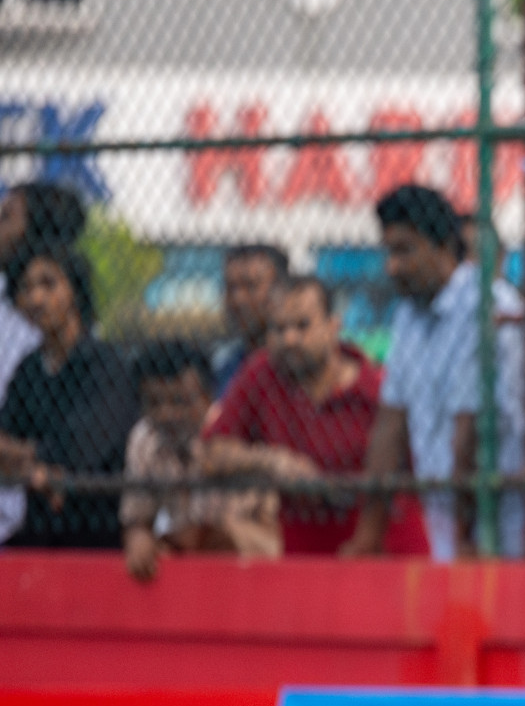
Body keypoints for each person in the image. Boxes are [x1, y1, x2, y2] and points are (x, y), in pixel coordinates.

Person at [343, 184, 525, 561]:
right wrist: (369, 534)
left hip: (498, 518)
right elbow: (391, 423)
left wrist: (466, 535)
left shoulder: (490, 305)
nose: (392, 266)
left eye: (404, 251)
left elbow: (472, 431)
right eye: (388, 252)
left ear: (443, 247)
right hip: (443, 516)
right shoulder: (407, 315)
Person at [203, 276, 426, 555]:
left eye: (302, 326)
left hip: (387, 553)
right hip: (306, 557)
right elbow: (211, 450)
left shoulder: (376, 389)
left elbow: (419, 472)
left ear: (333, 326)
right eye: (278, 328)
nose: (289, 339)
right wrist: (274, 462)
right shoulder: (263, 375)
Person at [0, 246, 137, 548]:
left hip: (100, 527)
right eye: (26, 288)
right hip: (39, 524)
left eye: (48, 284)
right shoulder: (30, 368)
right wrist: (35, 466)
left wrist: (30, 459)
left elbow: (82, 449)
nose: (36, 298)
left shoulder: (105, 363)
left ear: (74, 290)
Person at [121, 341, 279, 581]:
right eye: (154, 403)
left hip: (256, 558)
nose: (167, 414)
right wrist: (138, 537)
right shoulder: (145, 438)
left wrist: (181, 539)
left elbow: (222, 536)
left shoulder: (232, 433)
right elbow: (136, 516)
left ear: (208, 397)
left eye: (180, 401)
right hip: (187, 557)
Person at [0, 182, 87, 544]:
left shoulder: (70, 337)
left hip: (36, 502)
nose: (36, 299)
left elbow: (71, 447)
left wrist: (28, 457)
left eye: (7, 217)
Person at [211, 244, 289, 397]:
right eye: (230, 287)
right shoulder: (223, 365)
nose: (238, 299)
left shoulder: (298, 364)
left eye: (251, 286)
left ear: (280, 290)